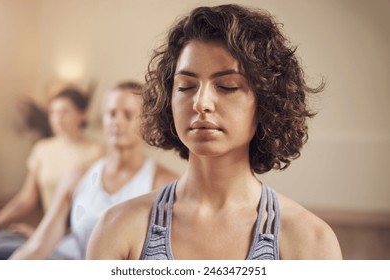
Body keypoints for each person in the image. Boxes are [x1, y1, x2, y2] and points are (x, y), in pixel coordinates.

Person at [87, 4, 342, 260]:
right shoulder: (118, 230)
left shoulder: (310, 241)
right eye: (186, 86)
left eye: (227, 86)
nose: (200, 102)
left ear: (266, 102)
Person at [10, 81, 178, 259]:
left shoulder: (165, 184)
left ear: (147, 122)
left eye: (127, 115)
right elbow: (39, 245)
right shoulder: (78, 177)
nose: (117, 121)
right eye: (111, 113)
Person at [0, 86, 103, 259]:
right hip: (44, 231)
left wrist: (44, 236)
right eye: (53, 112)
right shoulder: (42, 149)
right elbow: (26, 199)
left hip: (74, 236)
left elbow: (96, 207)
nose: (58, 119)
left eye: (65, 112)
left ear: (82, 114)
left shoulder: (96, 152)